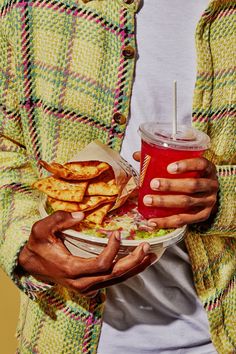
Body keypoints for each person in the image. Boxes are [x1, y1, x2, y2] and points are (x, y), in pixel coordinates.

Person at [0, 0, 235, 353]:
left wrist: (222, 197)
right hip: (62, 334)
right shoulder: (25, 6)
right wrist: (21, 245)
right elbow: (6, 144)